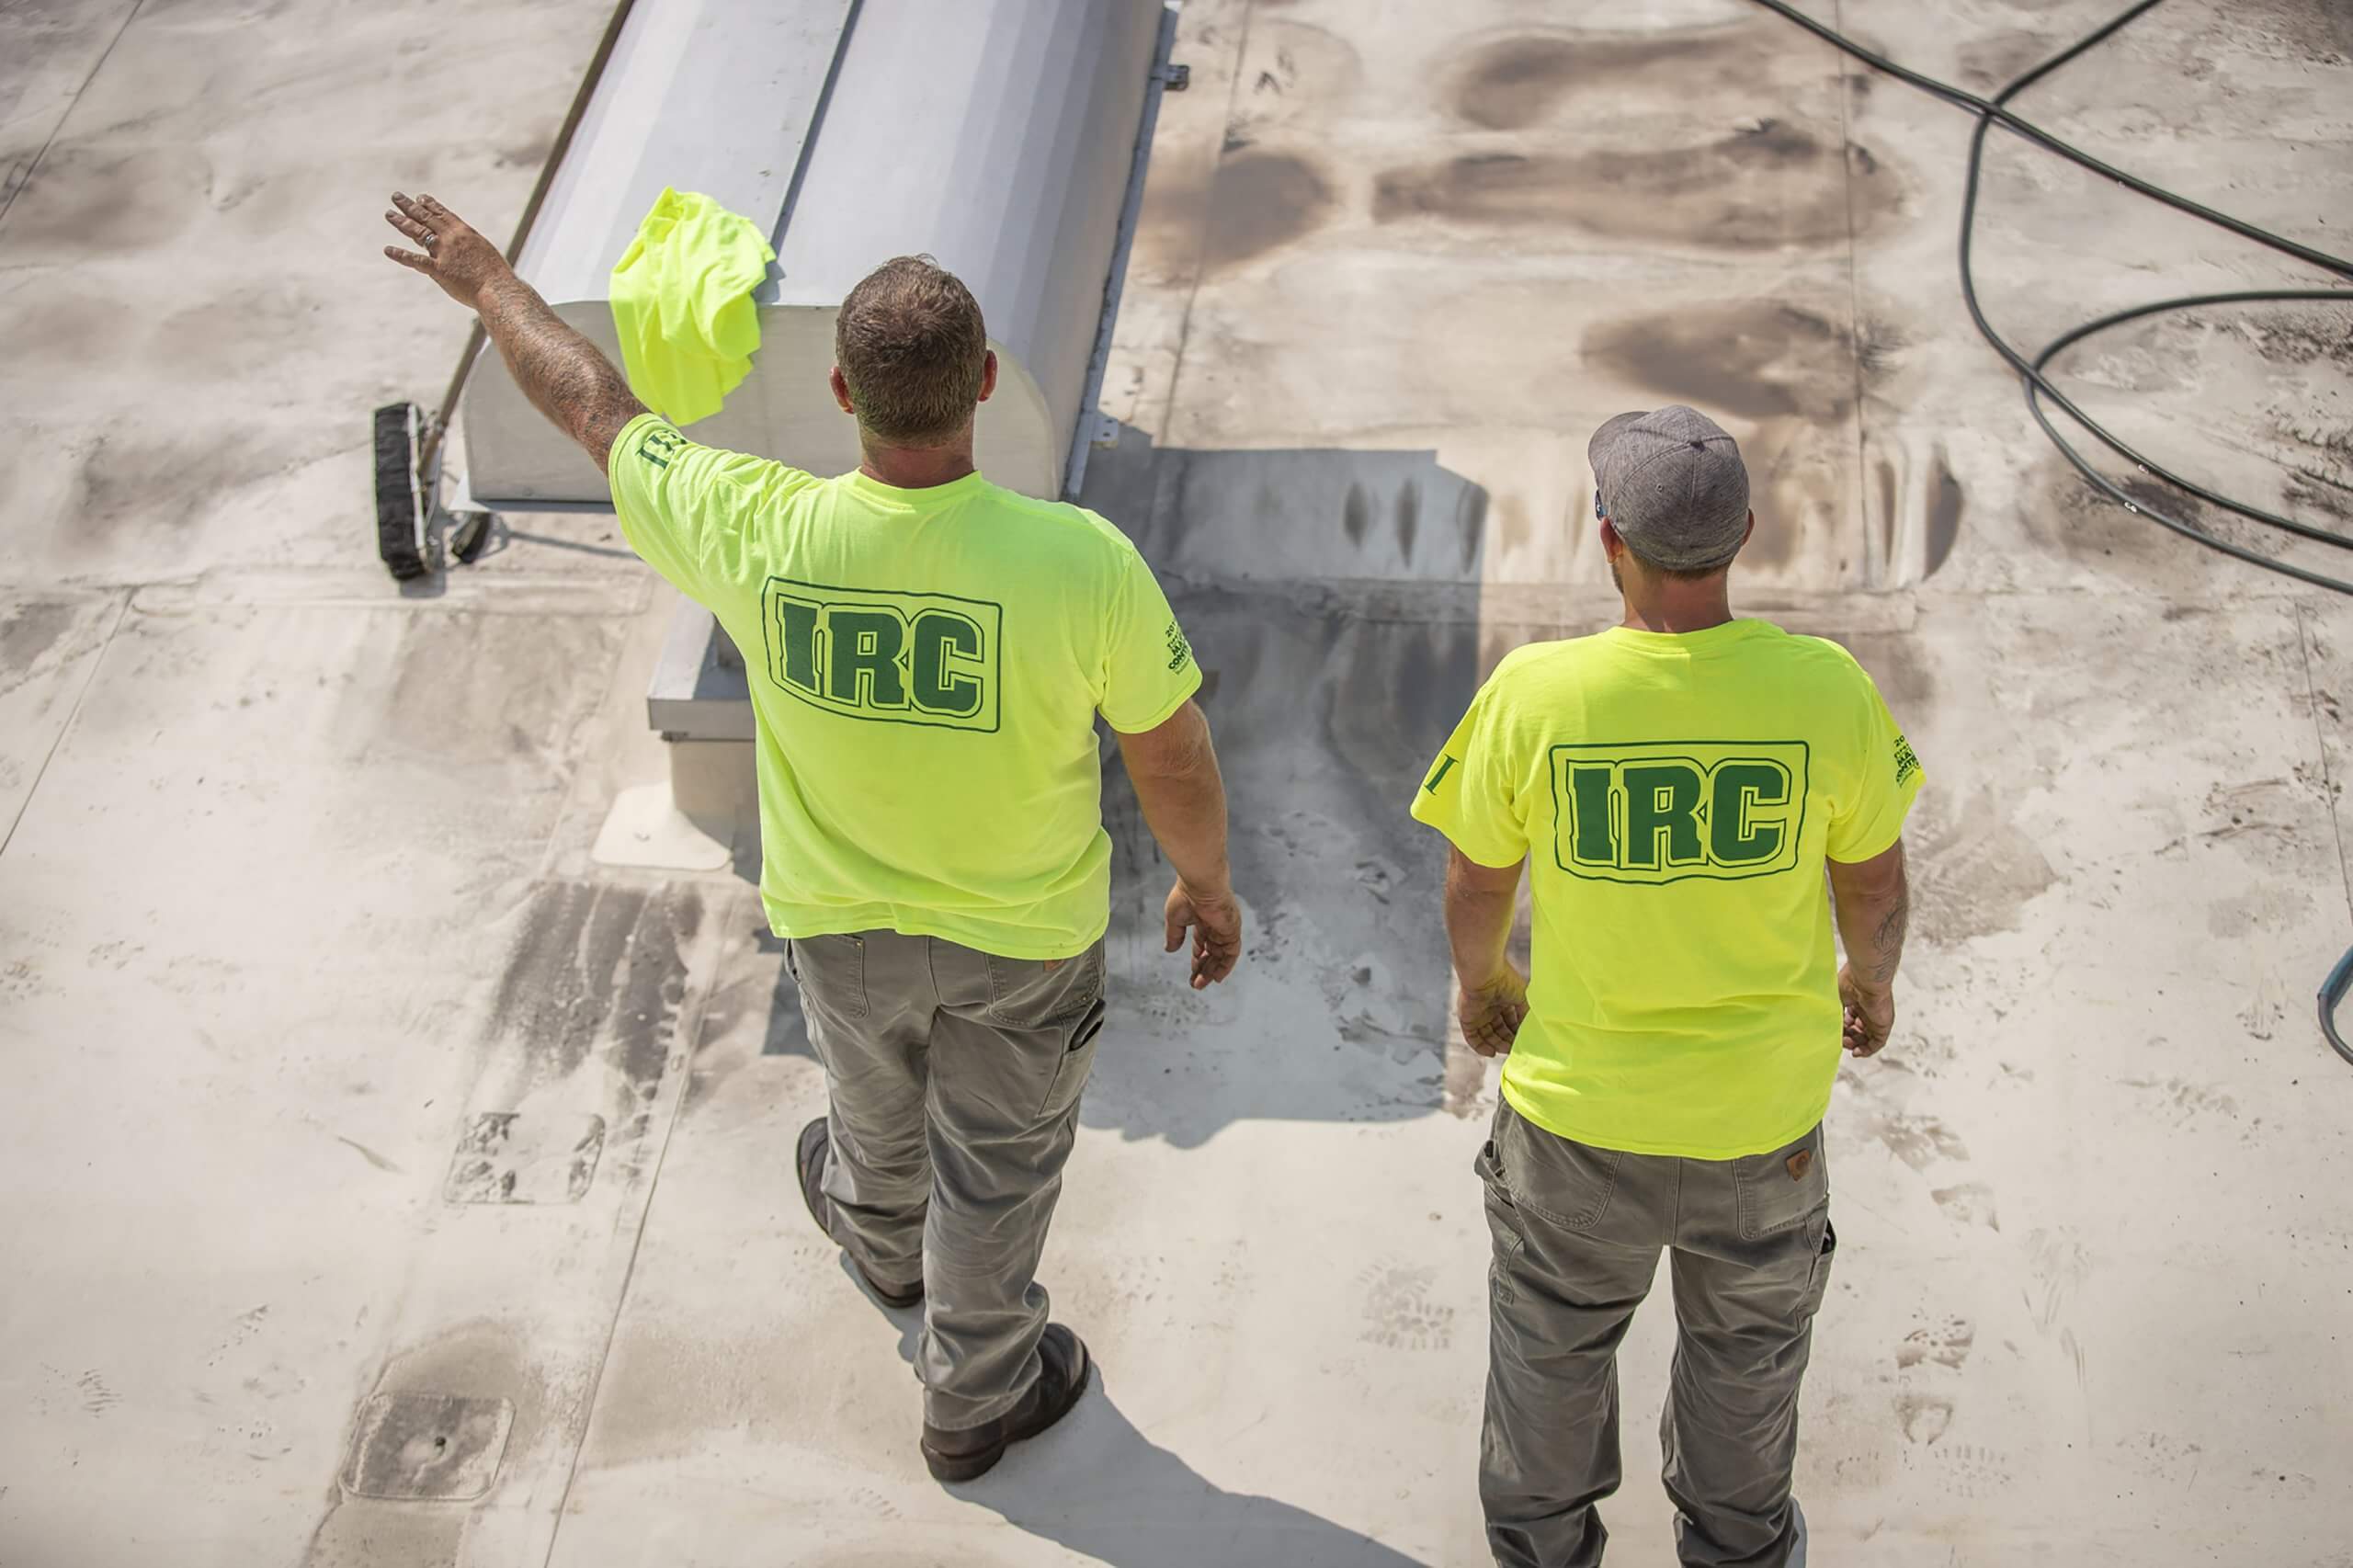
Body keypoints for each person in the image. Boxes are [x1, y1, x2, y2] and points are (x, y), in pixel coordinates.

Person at [381, 194, 1243, 1483]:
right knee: (996, 1181)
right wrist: (1205, 884)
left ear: (843, 389)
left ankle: (880, 1238)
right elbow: (1167, 746)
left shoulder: (755, 523)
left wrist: (493, 282)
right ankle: (974, 1396)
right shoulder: (1082, 562)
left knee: (874, 1107)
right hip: (1023, 944)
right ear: (989, 385)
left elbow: (596, 410)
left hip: (841, 930)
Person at [1410, 404, 1921, 1567]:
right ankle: (1738, 1551)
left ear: (1608, 538)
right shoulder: (1824, 688)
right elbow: (1875, 876)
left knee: (1550, 1349)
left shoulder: (1536, 693)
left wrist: (1484, 984)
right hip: (1761, 1124)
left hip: (1579, 1119)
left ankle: (1540, 1549)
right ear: (1745, 533)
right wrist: (1870, 984)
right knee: (1747, 1358)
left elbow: (1475, 876)